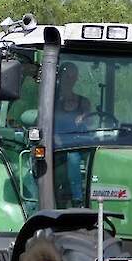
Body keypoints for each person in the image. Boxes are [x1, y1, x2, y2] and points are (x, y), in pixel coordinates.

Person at [54, 62, 92, 206]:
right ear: (60, 77)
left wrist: (84, 119)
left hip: (80, 144)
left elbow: (91, 125)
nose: (70, 79)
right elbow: (49, 128)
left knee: (75, 156)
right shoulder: (52, 103)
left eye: (73, 76)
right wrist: (55, 140)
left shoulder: (84, 103)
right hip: (57, 147)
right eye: (67, 76)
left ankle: (83, 197)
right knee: (72, 157)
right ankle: (77, 198)